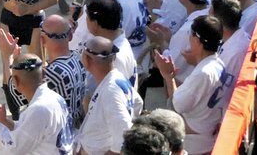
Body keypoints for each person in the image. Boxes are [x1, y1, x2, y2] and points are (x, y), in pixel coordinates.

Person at [0, 53, 73, 153]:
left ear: (15, 81)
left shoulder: (38, 109)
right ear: (43, 73)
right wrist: (5, 121)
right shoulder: (56, 98)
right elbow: (29, 132)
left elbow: (13, 150)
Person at [154, 15, 226, 155]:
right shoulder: (218, 64)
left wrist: (168, 76)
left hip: (195, 144)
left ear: (197, 40)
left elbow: (176, 106)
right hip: (206, 135)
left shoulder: (203, 73)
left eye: (190, 34)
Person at [0, 15, 86, 128]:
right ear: (70, 36)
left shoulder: (53, 73)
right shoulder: (78, 58)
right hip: (75, 131)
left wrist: (7, 56)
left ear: (42, 40)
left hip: (59, 138)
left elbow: (16, 94)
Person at [76, 36, 143, 154]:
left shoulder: (111, 91)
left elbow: (124, 137)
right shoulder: (117, 78)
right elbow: (138, 103)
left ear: (87, 59)